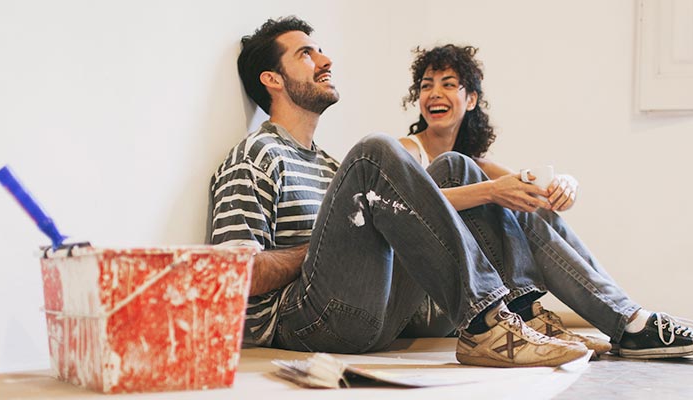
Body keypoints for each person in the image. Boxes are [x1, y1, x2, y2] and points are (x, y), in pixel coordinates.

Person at [207, 16, 589, 368]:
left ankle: (515, 312)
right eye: (306, 54)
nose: (325, 60)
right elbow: (233, 276)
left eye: (320, 50)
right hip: (301, 323)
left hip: (371, 314)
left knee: (454, 167)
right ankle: (487, 325)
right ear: (272, 79)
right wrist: (323, 249)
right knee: (375, 151)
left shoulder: (327, 164)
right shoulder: (257, 155)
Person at [395, 44, 693, 359]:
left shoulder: (477, 166)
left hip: (472, 297)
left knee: (514, 200)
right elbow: (407, 206)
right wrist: (492, 192)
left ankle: (626, 318)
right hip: (427, 299)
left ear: (470, 100)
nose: (435, 93)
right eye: (427, 86)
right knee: (465, 174)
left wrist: (566, 185)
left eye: (448, 84)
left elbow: (533, 199)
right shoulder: (408, 150)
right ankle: (626, 323)